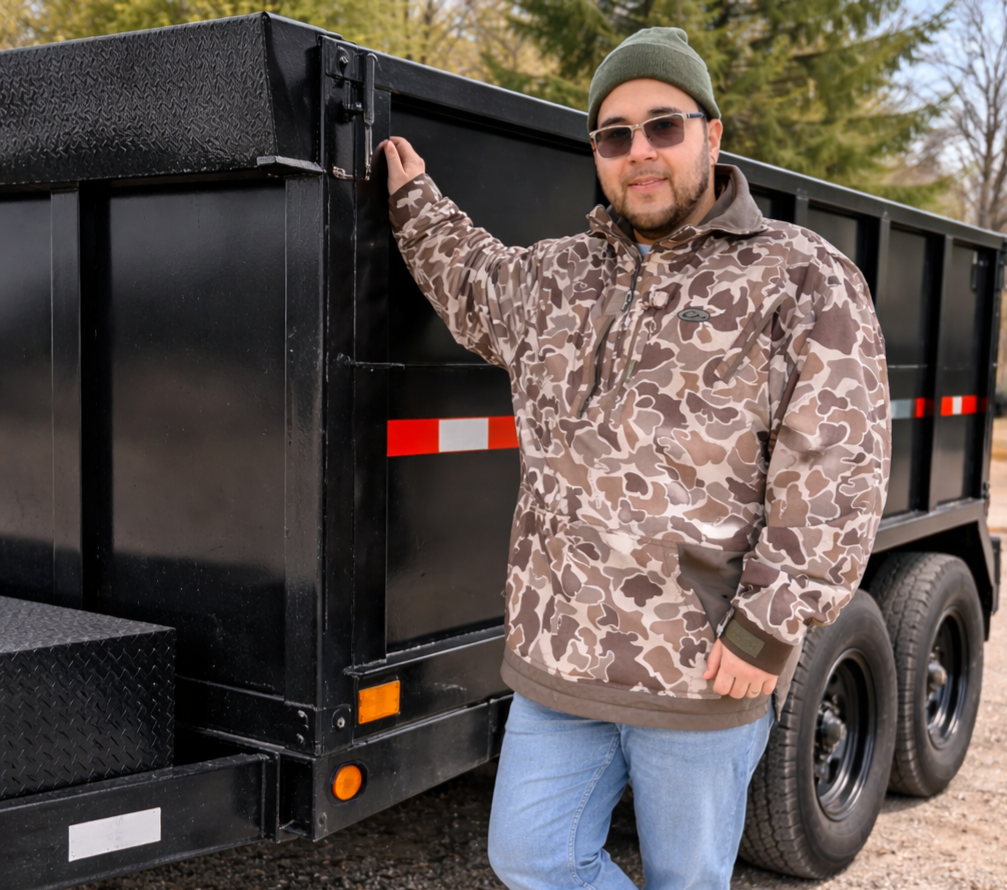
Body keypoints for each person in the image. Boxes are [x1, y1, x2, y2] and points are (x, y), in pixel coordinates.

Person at [381, 26, 890, 890]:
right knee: (531, 858)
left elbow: (836, 470)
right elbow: (470, 280)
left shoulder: (798, 276)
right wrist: (411, 199)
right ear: (597, 153)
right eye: (614, 135)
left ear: (710, 134)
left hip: (701, 675)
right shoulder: (555, 277)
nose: (639, 151)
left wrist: (766, 629)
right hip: (559, 664)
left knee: (685, 880)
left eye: (663, 126)